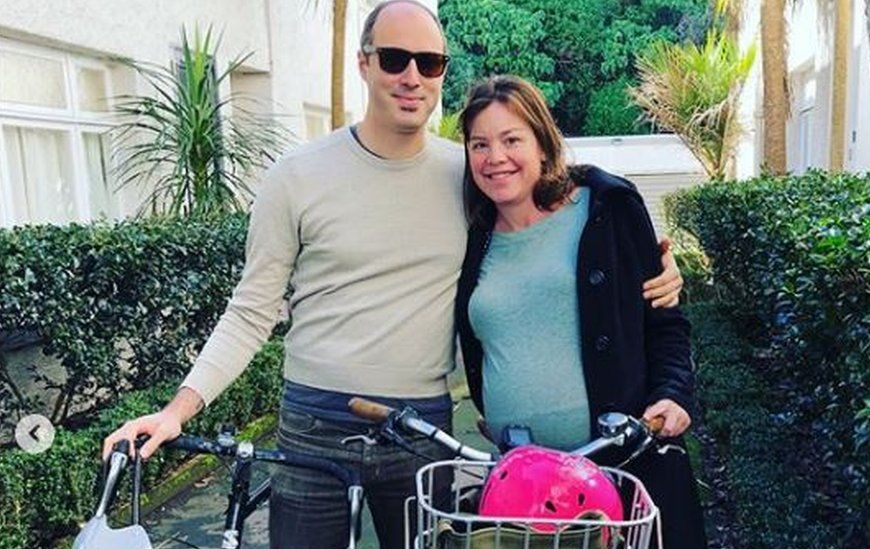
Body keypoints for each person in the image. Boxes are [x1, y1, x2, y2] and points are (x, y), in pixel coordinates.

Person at [101, 3, 684, 547]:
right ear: (365, 63)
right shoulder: (295, 176)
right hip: (314, 420)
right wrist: (177, 410)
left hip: (421, 430)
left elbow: (548, 182)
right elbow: (252, 309)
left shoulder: (469, 173)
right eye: (394, 59)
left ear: (441, 74)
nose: (412, 76)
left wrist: (650, 258)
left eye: (429, 63)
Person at [454, 75, 707, 548]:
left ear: (544, 145)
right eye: (479, 144)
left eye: (512, 140)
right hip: (522, 488)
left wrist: (673, 393)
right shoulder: (471, 234)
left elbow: (664, 320)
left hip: (622, 469)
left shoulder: (606, 207)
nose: (495, 158)